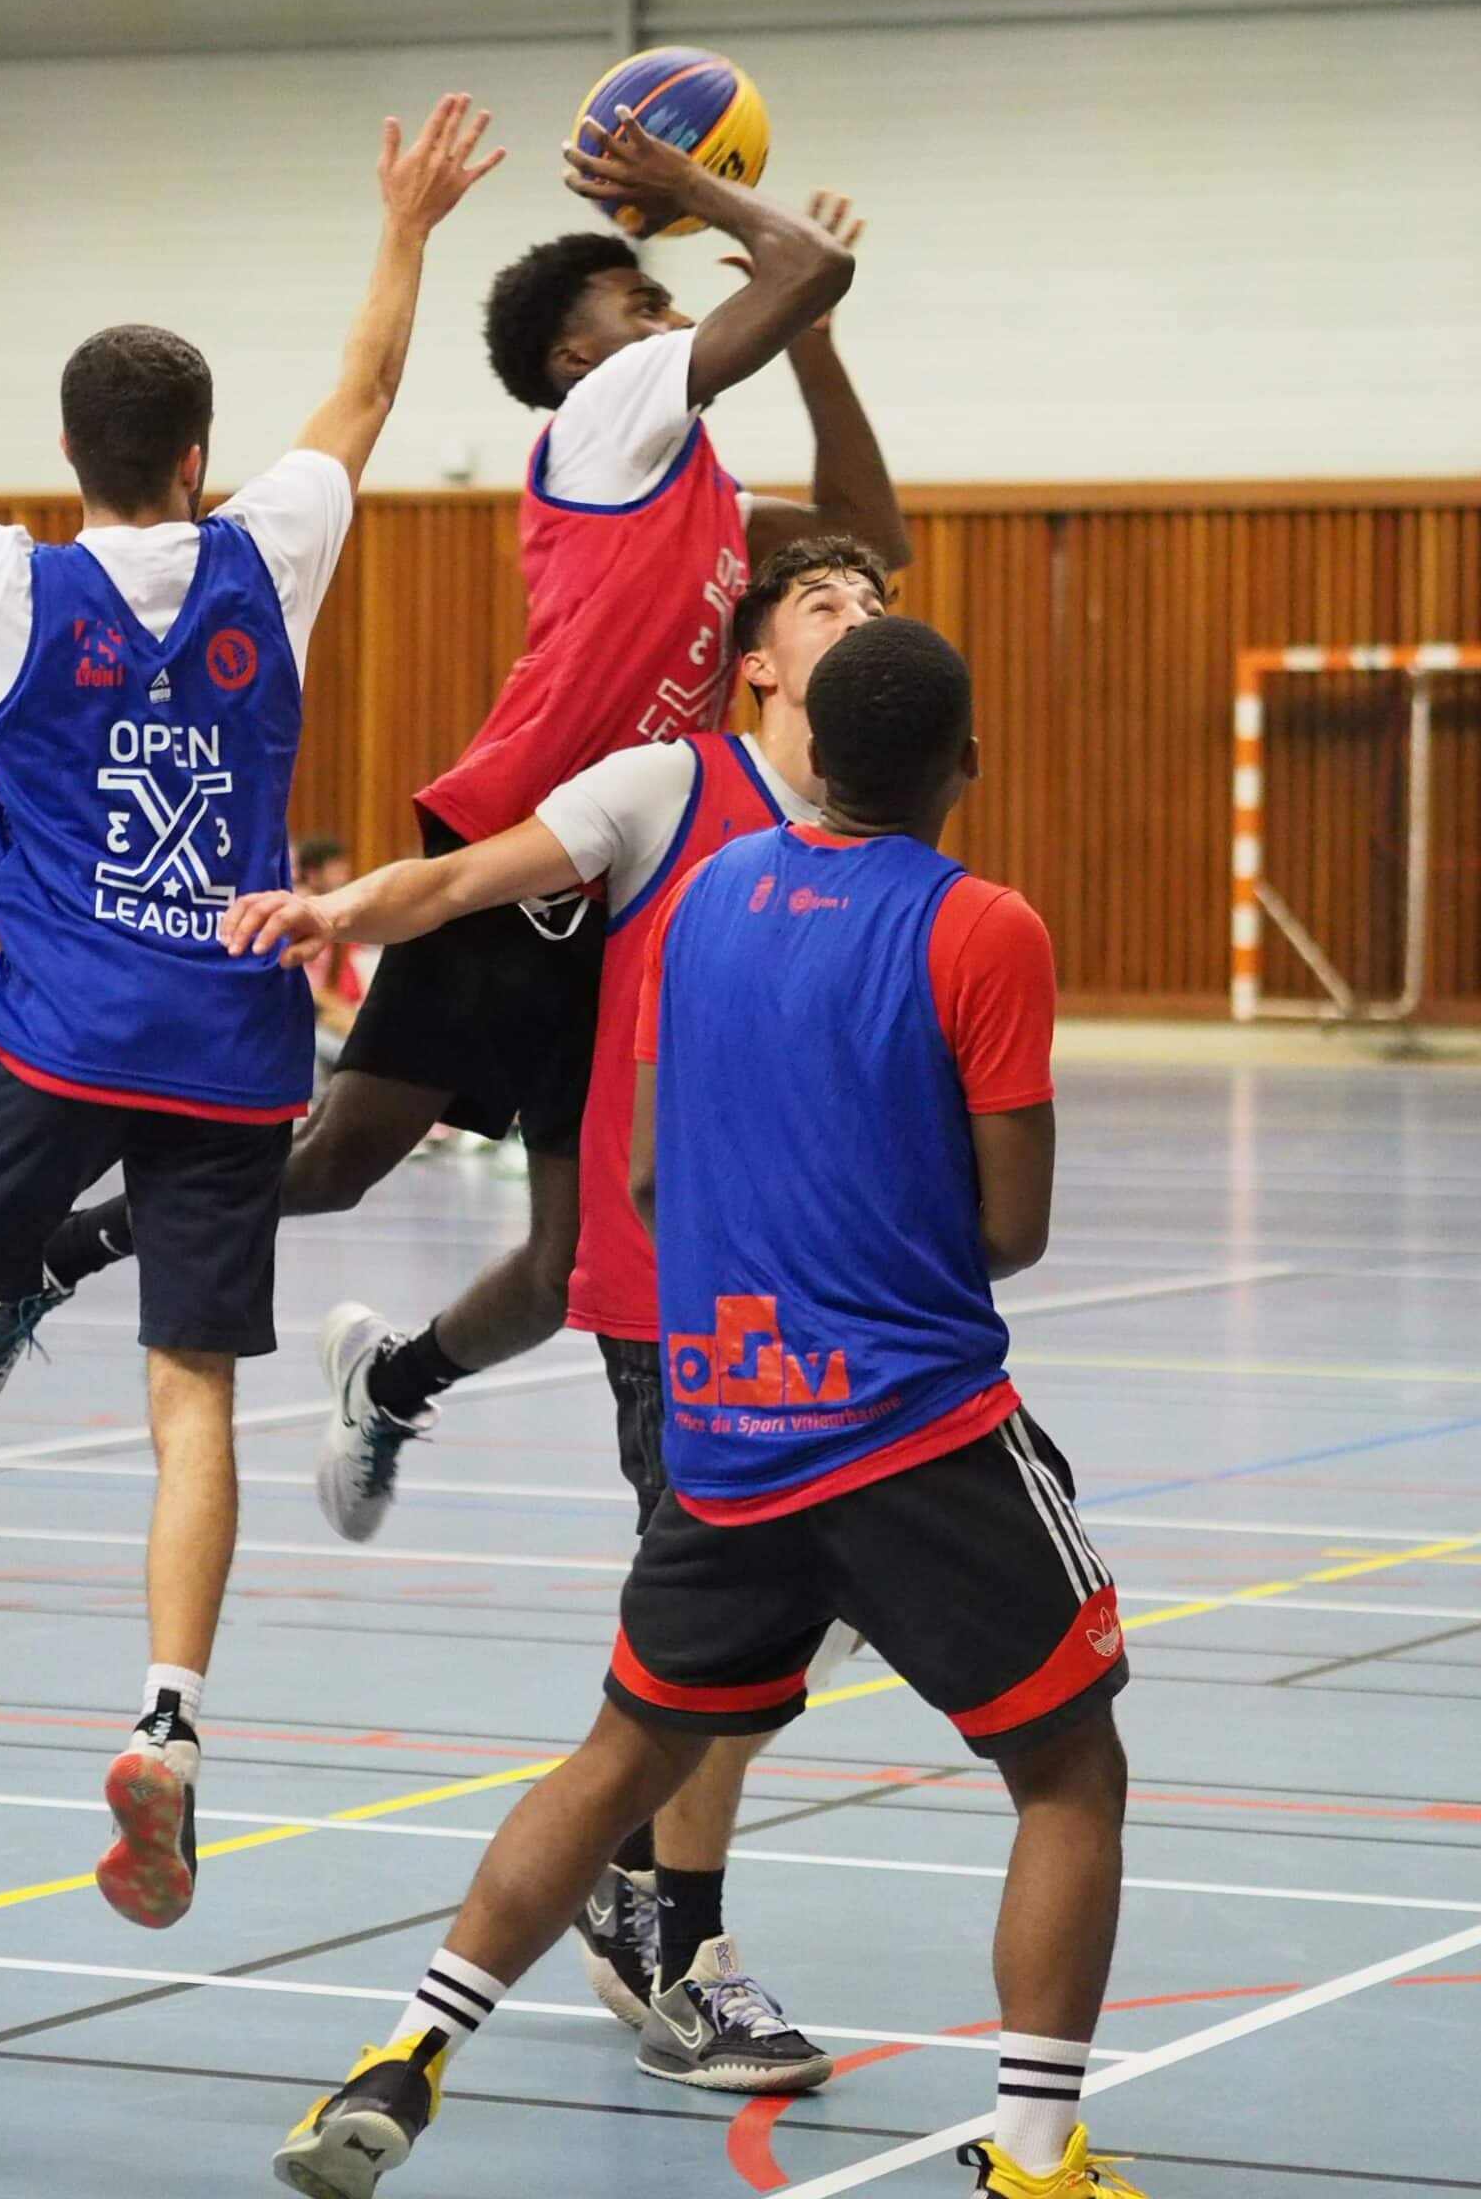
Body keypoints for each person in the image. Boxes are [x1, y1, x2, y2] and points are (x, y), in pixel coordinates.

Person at [0, 93, 502, 1934]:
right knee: (190, 1394)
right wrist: (408, 224)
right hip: (234, 1052)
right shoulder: (273, 555)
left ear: (70, 455)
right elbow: (368, 388)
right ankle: (167, 1723)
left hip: (60, 1042)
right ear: (200, 459)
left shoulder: (9, 587)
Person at [270, 618, 1139, 2199]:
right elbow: (1011, 1230)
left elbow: (655, 1179)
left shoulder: (712, 899)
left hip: (726, 1425)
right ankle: (1033, 2156)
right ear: (965, 763)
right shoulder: (984, 926)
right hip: (914, 1430)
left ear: (819, 749)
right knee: (1072, 1772)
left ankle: (404, 2055)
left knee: (620, 1756)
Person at [0, 114, 909, 1495]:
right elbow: (810, 262)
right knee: (336, 1162)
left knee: (569, 1260)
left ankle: (393, 1383)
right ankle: (57, 1254)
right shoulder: (606, 419)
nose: (666, 313)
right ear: (576, 358)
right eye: (637, 298)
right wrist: (689, 186)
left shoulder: (709, 491)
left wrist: (817, 348)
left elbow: (874, 538)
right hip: (514, 854)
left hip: (628, 897)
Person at [227, 532, 889, 2093]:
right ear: (758, 663)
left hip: (830, 1296)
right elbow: (469, 874)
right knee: (728, 1635)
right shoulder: (670, 786)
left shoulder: (882, 831)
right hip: (674, 1294)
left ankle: (635, 1884)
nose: (861, 616)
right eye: (824, 603)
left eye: (878, 605)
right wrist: (344, 910)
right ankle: (678, 1953)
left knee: (812, 1612)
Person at [293, 834, 367, 1082]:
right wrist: (348, 1018)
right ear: (313, 875)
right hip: (310, 1017)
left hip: (334, 1012)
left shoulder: (335, 915)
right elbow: (308, 990)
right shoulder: (300, 913)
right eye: (336, 871)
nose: (344, 877)